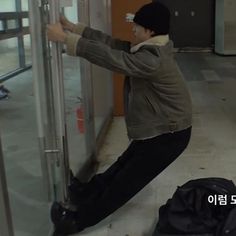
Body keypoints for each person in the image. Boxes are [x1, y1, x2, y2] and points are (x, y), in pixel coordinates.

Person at [47, 2, 192, 235]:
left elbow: (114, 59)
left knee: (124, 184)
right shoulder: (148, 48)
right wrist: (74, 28)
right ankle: (84, 192)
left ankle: (75, 221)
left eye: (137, 26)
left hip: (170, 134)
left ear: (150, 32)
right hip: (161, 129)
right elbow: (111, 45)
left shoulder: (152, 59)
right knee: (122, 167)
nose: (132, 29)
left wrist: (66, 40)